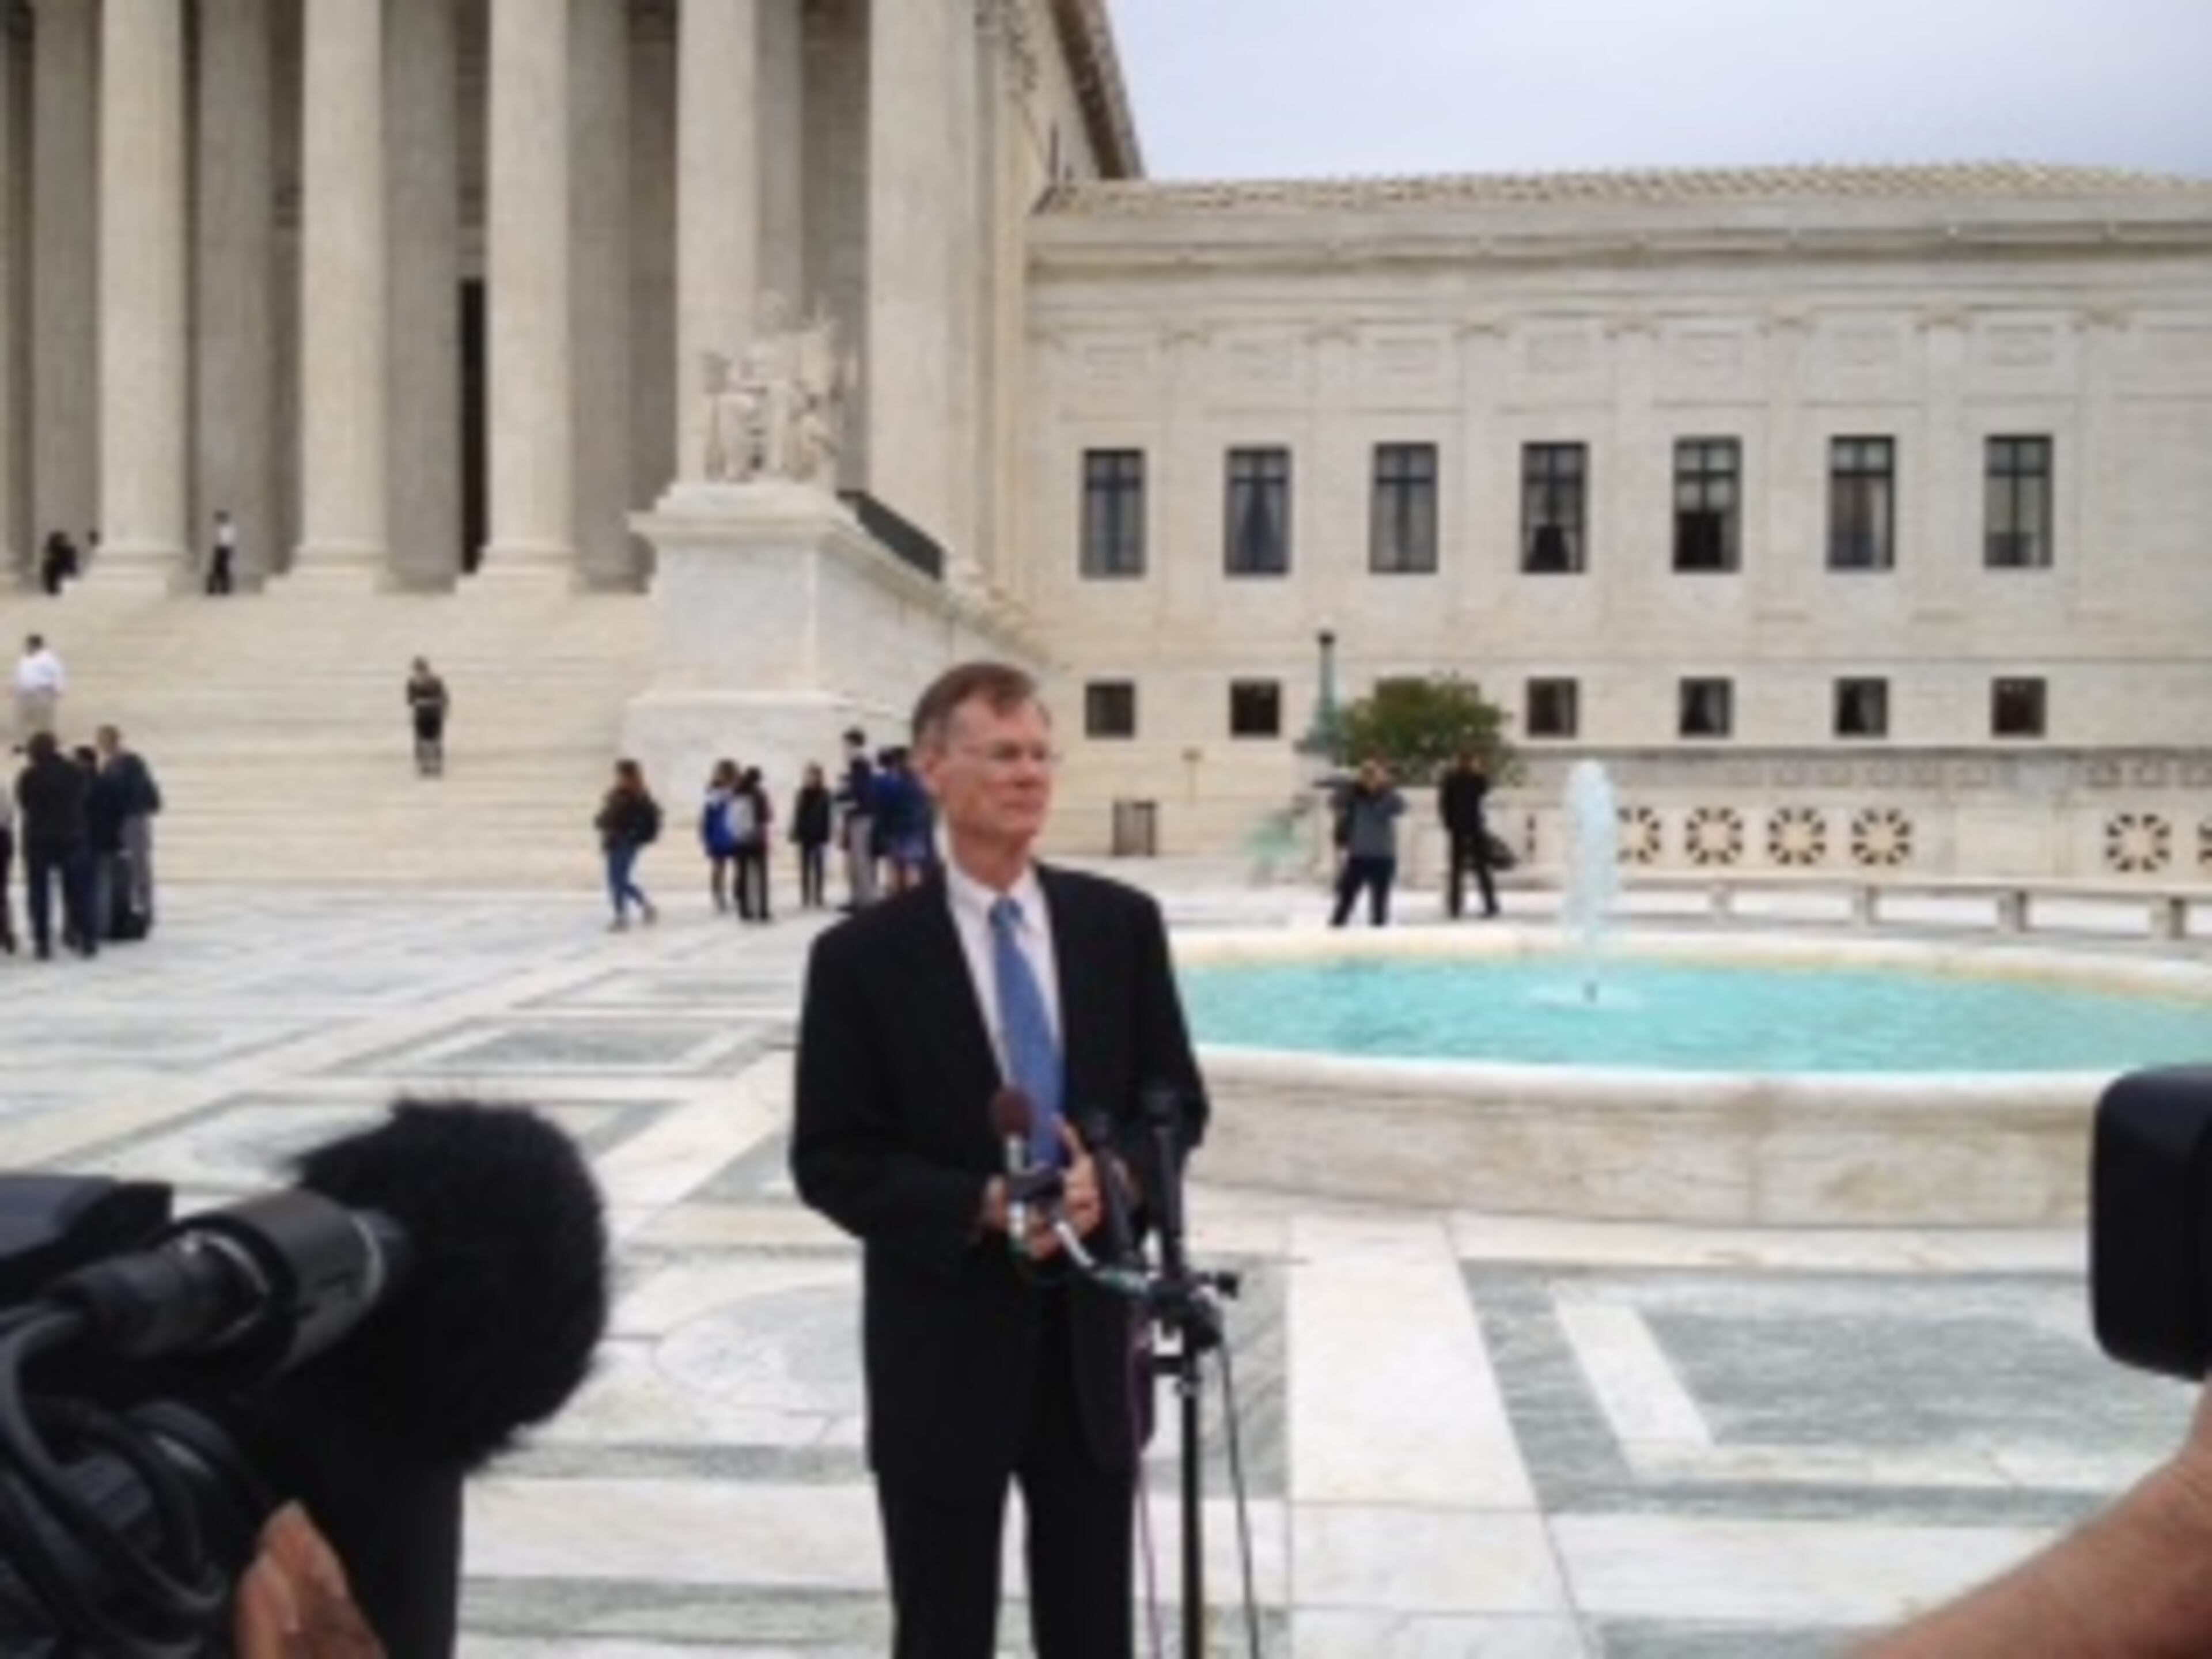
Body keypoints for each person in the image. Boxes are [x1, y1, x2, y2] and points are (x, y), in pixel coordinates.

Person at [791, 660, 1208, 1659]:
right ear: (933, 768)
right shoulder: (860, 961)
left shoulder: (1121, 926)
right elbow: (831, 1158)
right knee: (941, 1633)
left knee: (1091, 1630)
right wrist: (977, 1201)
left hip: (1089, 1349)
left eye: (1039, 755)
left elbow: (1177, 1106)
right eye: (1002, 754)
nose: (1029, 776)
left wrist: (1114, 1184)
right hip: (943, 1350)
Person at [16, 730, 92, 959]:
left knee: (39, 892)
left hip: (39, 838)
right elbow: (83, 799)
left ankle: (43, 941)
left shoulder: (29, 775)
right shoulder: (74, 772)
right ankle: (86, 937)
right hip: (71, 836)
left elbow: (25, 804)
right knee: (78, 891)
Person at [96, 724, 161, 933]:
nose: (102, 744)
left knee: (139, 865)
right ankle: (131, 906)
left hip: (133, 818)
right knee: (127, 866)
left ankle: (146, 907)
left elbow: (134, 791)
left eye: (105, 740)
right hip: (122, 819)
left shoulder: (129, 763)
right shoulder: (110, 765)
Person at [1329, 758, 1407, 927]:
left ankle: (1379, 938)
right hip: (1358, 856)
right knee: (1345, 902)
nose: (1370, 779)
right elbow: (1334, 802)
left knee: (1380, 906)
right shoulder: (1353, 796)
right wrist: (1353, 786)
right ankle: (1334, 935)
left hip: (1383, 856)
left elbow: (1401, 807)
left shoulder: (1386, 796)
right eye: (1366, 775)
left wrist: (1386, 787)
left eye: (1373, 776)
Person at [593, 758, 660, 931]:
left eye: (621, 774)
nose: (618, 778)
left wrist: (628, 832)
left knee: (617, 880)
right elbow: (608, 816)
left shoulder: (636, 796)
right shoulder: (619, 793)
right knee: (618, 880)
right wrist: (602, 821)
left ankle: (622, 915)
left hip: (626, 841)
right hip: (616, 840)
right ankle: (644, 907)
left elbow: (627, 819)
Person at [1440, 748, 1501, 919]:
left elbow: (1486, 789)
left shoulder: (1474, 779)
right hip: (1461, 829)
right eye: (1465, 761)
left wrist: (1481, 772)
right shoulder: (1451, 780)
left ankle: (1489, 905)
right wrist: (1450, 825)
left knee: (1479, 869)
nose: (1466, 764)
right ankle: (1456, 907)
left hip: (1473, 828)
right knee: (1458, 870)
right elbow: (1445, 805)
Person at [836, 728, 877, 910]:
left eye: (847, 745)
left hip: (861, 817)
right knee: (854, 861)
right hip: (856, 816)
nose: (845, 750)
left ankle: (866, 901)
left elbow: (862, 795)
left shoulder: (861, 765)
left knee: (861, 861)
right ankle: (857, 898)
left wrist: (845, 801)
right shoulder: (856, 766)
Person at [790, 762, 834, 909]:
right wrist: (795, 832)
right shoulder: (801, 793)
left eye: (813, 775)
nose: (810, 778)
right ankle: (805, 896)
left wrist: (827, 834)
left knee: (819, 866)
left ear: (819, 777)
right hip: (805, 834)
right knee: (805, 866)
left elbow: (828, 816)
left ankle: (819, 896)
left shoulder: (825, 794)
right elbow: (797, 815)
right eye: (808, 775)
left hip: (819, 834)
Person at [700, 759, 741, 912]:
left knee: (738, 866)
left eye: (725, 774)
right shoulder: (712, 792)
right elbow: (707, 815)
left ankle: (738, 894)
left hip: (734, 832)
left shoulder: (738, 791)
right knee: (719, 866)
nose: (722, 777)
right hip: (718, 833)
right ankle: (718, 896)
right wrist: (706, 835)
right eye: (720, 774)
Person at [735, 764, 774, 921]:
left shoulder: (737, 794)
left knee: (743, 875)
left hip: (741, 839)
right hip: (758, 838)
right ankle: (763, 909)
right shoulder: (760, 794)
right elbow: (768, 816)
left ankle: (744, 910)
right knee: (761, 876)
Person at [406, 658, 450, 778]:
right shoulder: (415, 682)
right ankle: (428, 765)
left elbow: (444, 698)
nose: (420, 672)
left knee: (431, 740)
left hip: (431, 714)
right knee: (426, 740)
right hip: (426, 714)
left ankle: (433, 764)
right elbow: (411, 700)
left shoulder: (432, 681)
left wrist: (442, 708)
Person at [14, 634, 65, 738]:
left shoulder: (48, 658)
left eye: (29, 645)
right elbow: (21, 674)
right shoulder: (25, 659)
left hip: (42, 692)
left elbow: (58, 673)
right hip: (26, 693)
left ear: (36, 645)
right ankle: (29, 741)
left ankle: (47, 741)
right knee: (25, 719)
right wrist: (17, 687)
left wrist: (59, 689)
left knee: (43, 720)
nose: (27, 647)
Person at [207, 508, 239, 596]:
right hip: (220, 549)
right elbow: (217, 540)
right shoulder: (220, 528)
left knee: (223, 569)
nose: (218, 521)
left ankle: (224, 588)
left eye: (219, 518)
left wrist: (231, 551)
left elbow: (231, 541)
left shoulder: (229, 528)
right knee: (217, 569)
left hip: (225, 549)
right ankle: (215, 588)